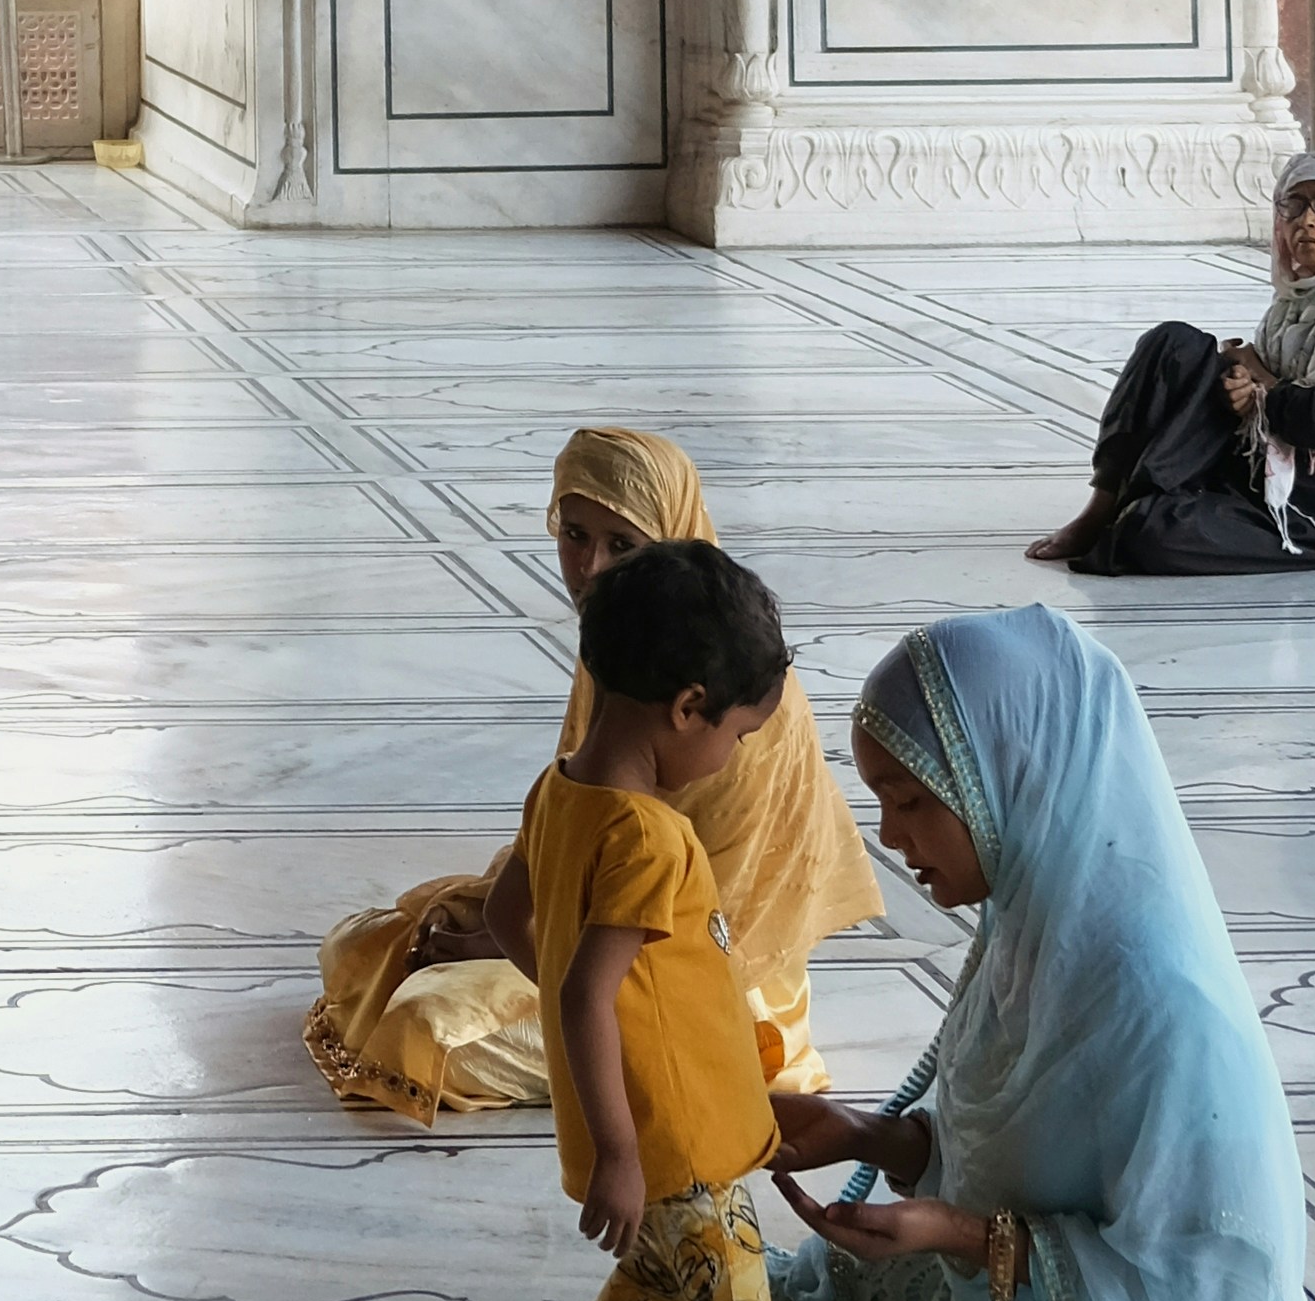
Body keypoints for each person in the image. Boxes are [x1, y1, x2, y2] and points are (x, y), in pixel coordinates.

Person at [611, 604, 1315, 1301]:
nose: (891, 835)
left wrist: (965, 1238)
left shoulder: (1163, 1005)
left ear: (1006, 778)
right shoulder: (1036, 924)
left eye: (913, 800)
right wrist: (876, 1139)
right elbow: (1025, 1146)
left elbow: (1218, 1290)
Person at [308, 426, 883, 1120]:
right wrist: (497, 930)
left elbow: (703, 930)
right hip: (596, 927)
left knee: (423, 1028)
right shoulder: (623, 636)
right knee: (362, 945)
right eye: (575, 535)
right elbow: (570, 830)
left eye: (623, 545)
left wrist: (522, 946)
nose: (590, 568)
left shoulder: (741, 695)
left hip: (701, 979)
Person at [491, 542, 795, 1301]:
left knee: (659, 1276)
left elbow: (508, 919)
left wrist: (595, 1059)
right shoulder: (651, 836)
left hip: (645, 1121)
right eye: (739, 734)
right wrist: (621, 1143)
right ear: (688, 705)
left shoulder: (560, 790)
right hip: (671, 1137)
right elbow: (582, 988)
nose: (736, 753)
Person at [1031, 148, 1315, 572]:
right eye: (1293, 206)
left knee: (1149, 532)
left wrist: (1259, 381)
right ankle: (1102, 506)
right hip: (1255, 470)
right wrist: (1243, 377)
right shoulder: (1299, 301)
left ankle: (1149, 507)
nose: (1307, 221)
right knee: (1172, 345)